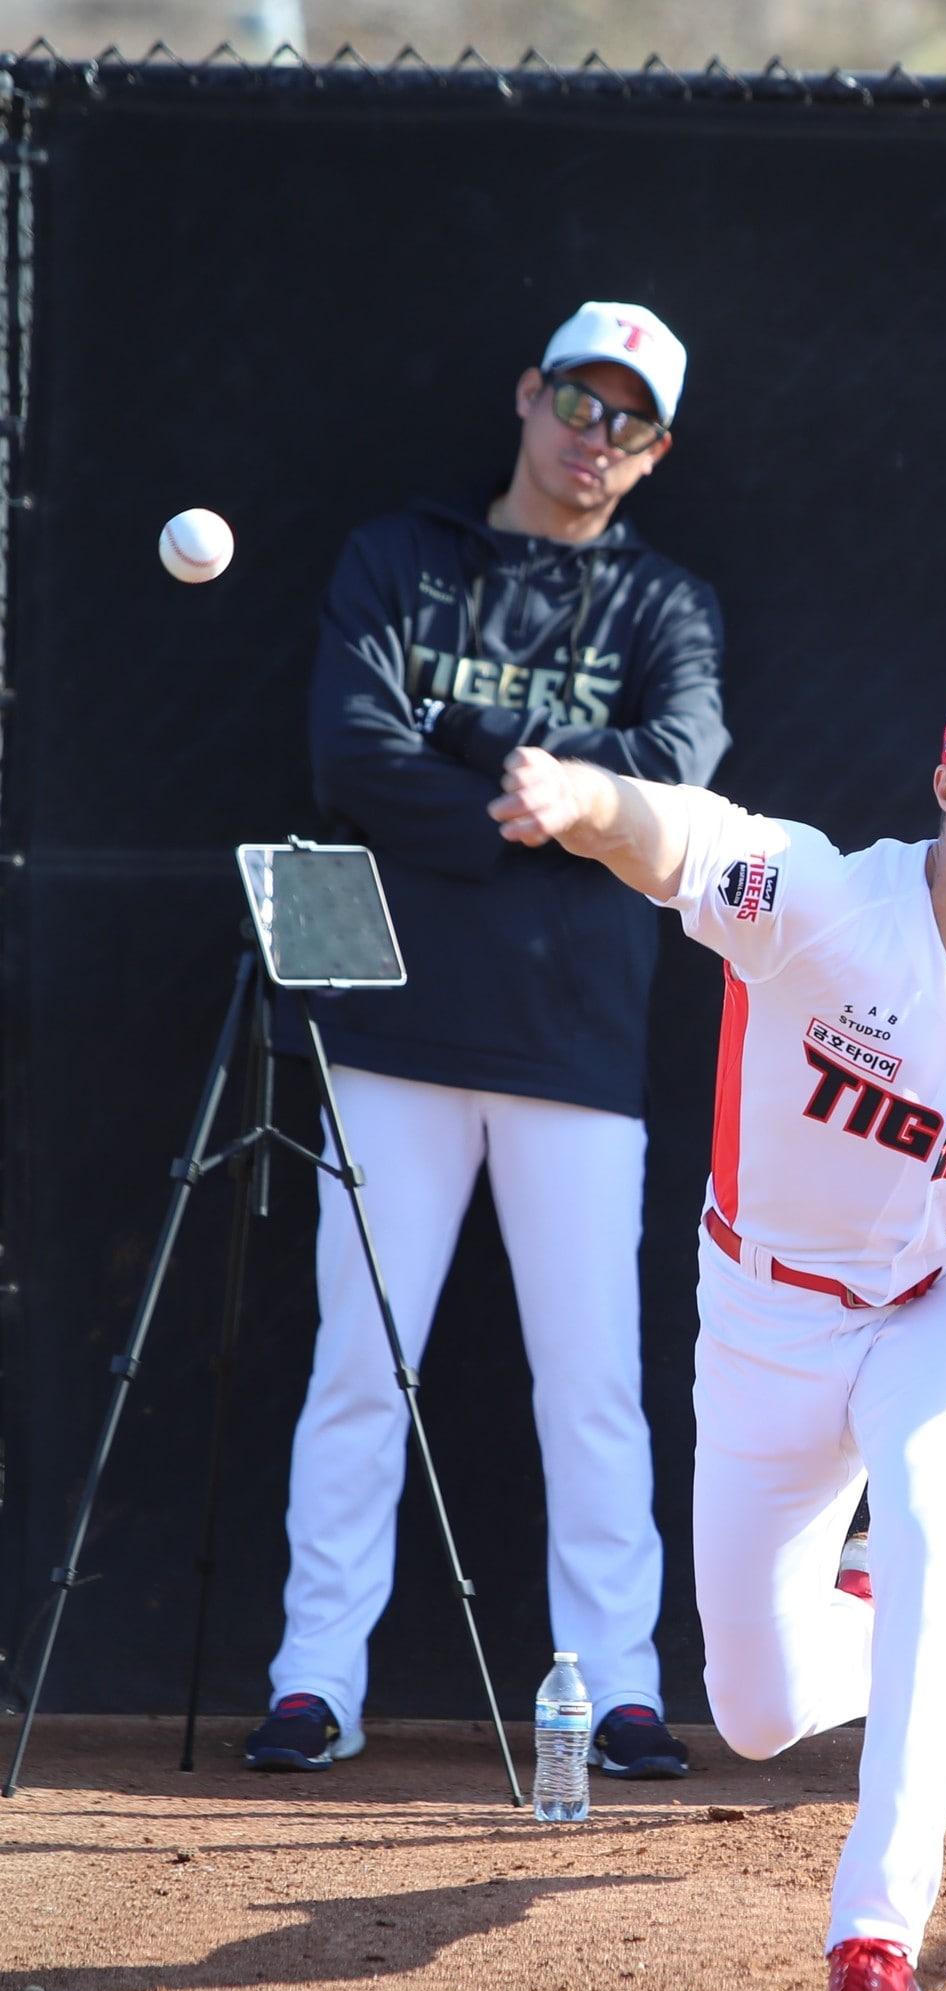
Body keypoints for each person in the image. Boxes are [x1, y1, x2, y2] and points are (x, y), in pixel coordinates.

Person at [484, 660, 946, 1991]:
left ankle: (875, 1943)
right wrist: (583, 797)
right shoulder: (829, 900)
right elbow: (677, 838)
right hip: (768, 1311)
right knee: (755, 1711)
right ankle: (852, 1601)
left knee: (933, 1529)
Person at [244, 300, 728, 1781]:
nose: (597, 440)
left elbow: (685, 768)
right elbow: (348, 753)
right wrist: (539, 813)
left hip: (578, 1044)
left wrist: (575, 793)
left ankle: (621, 1687)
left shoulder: (669, 609)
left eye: (630, 423)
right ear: (529, 396)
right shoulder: (399, 554)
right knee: (356, 1363)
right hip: (384, 1022)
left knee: (590, 1378)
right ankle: (315, 1681)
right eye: (581, 404)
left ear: (654, 454)